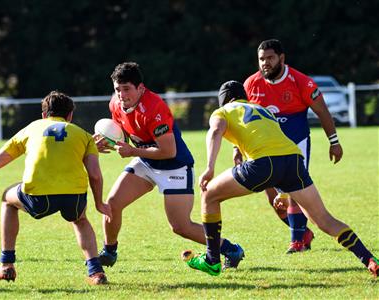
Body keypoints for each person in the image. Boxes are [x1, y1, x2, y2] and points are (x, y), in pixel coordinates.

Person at [182, 80, 378, 278]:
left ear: (223, 100)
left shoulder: (223, 111)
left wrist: (209, 168)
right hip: (293, 161)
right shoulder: (261, 109)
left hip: (263, 163)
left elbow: (215, 131)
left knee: (209, 195)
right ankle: (370, 259)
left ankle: (212, 260)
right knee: (325, 220)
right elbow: (275, 149)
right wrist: (282, 192)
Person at [94, 62, 244, 271]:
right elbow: (121, 130)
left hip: (174, 166)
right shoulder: (115, 104)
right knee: (112, 204)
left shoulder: (154, 107)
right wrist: (106, 141)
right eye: (117, 89)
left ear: (140, 88)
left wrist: (133, 151)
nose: (121, 95)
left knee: (180, 227)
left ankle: (230, 248)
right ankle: (109, 252)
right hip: (146, 161)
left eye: (126, 89)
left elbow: (168, 151)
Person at [0, 91, 111, 285]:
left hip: (37, 197)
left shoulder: (32, 128)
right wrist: (99, 203)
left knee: (8, 201)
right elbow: (95, 175)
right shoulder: (84, 136)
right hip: (73, 197)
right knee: (80, 219)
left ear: (44, 115)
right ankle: (96, 272)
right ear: (70, 116)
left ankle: (6, 265)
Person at [243, 39, 343, 253]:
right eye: (261, 59)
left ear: (282, 58)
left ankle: (297, 241)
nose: (265, 63)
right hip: (265, 148)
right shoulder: (251, 84)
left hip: (296, 145)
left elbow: (323, 112)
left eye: (270, 58)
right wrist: (237, 149)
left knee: (293, 189)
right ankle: (303, 232)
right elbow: (243, 120)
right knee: (274, 200)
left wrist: (334, 142)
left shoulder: (301, 82)